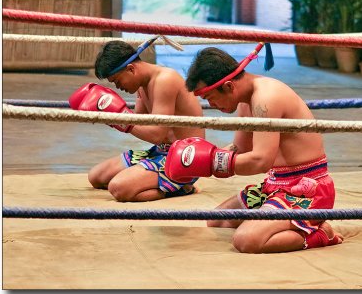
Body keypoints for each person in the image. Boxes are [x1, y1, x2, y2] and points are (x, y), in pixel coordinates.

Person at [165, 43, 343, 253]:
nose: (212, 106)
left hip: (307, 190)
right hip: (275, 185)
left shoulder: (266, 98)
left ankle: (322, 234)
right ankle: (283, 224)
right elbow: (239, 150)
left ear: (229, 86)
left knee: (246, 240)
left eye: (210, 98)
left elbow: (260, 160)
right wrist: (199, 159)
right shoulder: (244, 101)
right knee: (216, 220)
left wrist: (213, 164)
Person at [69, 37, 205, 202]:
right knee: (96, 177)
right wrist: (108, 116)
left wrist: (121, 118)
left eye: (117, 81)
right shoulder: (142, 86)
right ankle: (154, 181)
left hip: (186, 158)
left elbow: (156, 134)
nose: (118, 87)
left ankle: (184, 188)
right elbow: (140, 125)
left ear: (131, 69)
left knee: (118, 188)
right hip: (161, 152)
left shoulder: (165, 80)